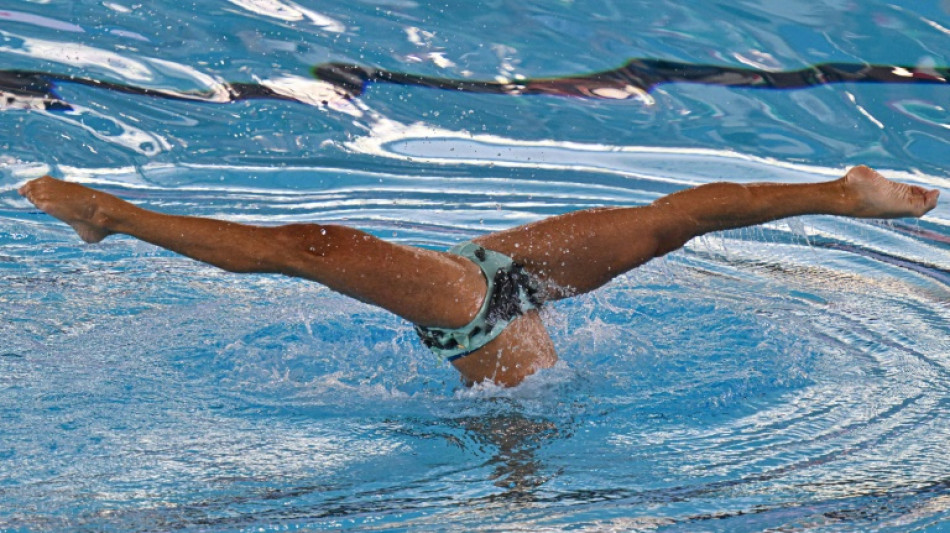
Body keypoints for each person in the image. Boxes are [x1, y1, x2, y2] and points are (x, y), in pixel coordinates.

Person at [18, 166, 939, 386]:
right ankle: (836, 192)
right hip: (495, 282)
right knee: (672, 221)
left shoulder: (515, 410)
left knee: (310, 247)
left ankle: (116, 220)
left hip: (483, 305)